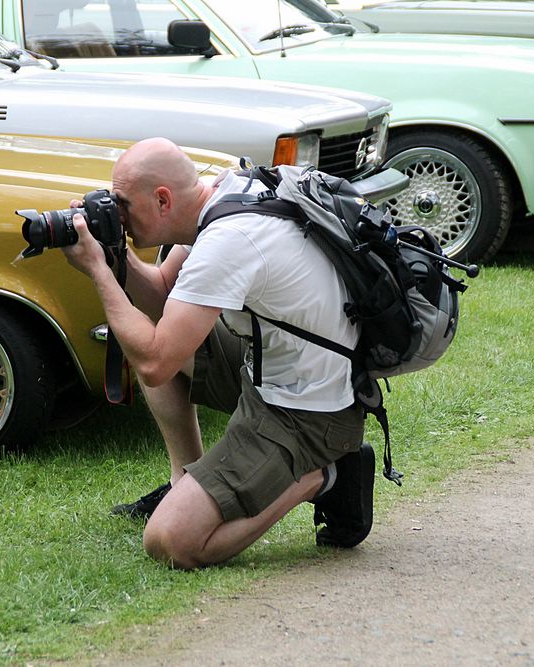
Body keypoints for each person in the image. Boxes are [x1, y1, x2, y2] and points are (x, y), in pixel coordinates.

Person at [61, 137, 376, 569]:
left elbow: (156, 364)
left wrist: (98, 271)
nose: (120, 216)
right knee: (160, 334)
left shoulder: (228, 240)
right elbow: (162, 296)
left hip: (308, 413)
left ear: (162, 199)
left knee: (170, 542)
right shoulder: (228, 192)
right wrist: (115, 251)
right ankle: (184, 481)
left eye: (123, 206)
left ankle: (323, 475)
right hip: (275, 368)